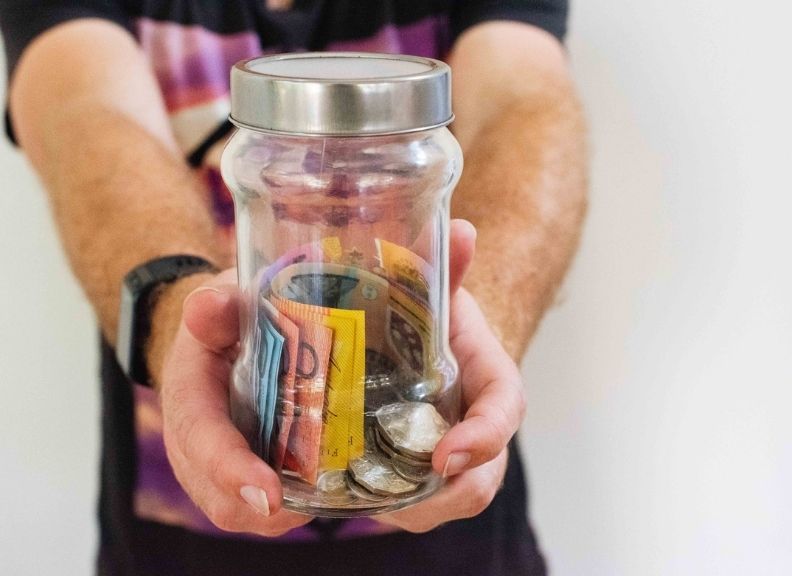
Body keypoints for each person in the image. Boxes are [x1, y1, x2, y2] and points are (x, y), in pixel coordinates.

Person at [0, 1, 586, 574]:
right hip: (176, 540)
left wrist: (464, 333)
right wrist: (175, 313)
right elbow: (81, 104)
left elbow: (523, 97)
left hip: (458, 546)